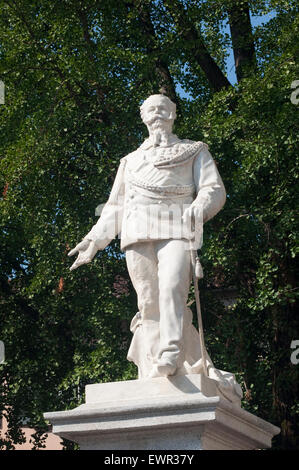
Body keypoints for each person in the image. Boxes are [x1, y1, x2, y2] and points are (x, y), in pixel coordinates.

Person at [69, 94, 230, 382]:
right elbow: (115, 207)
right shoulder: (130, 162)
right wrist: (94, 241)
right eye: (151, 110)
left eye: (163, 109)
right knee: (148, 302)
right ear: (143, 117)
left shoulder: (194, 151)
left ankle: (170, 352)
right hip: (138, 233)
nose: (157, 113)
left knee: (172, 289)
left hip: (177, 228)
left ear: (173, 114)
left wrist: (199, 208)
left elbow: (213, 189)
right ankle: (155, 359)